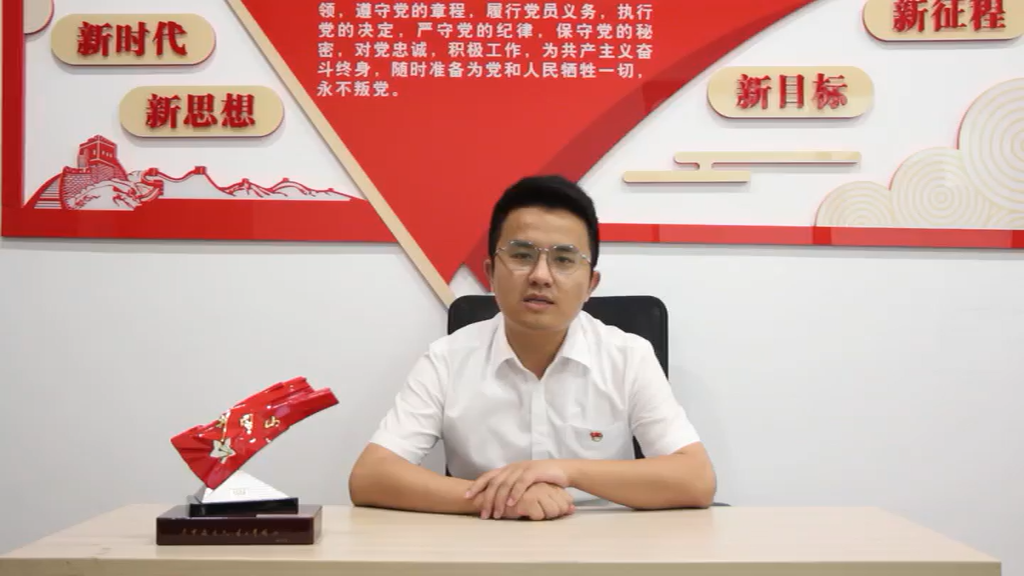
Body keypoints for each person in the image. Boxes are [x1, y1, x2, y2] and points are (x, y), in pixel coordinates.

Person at [348, 175, 716, 521]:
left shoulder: (628, 356)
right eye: (522, 255)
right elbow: (371, 476)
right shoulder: (447, 359)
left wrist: (564, 471)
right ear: (491, 274)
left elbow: (695, 479)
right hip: (484, 537)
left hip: (603, 543)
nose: (541, 275)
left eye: (564, 260)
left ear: (591, 284)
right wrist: (503, 499)